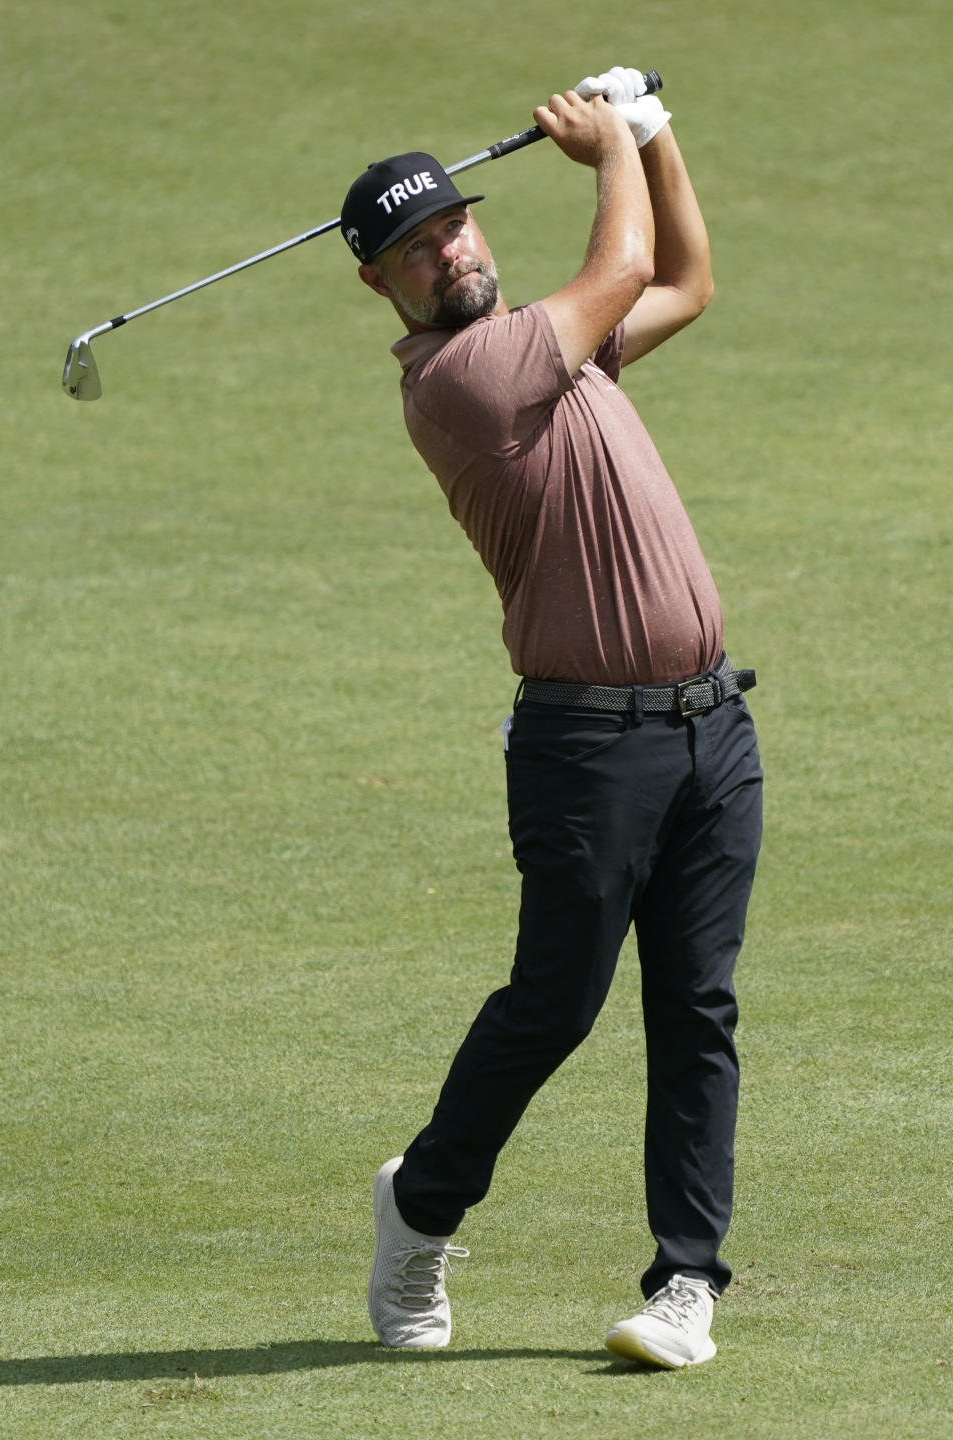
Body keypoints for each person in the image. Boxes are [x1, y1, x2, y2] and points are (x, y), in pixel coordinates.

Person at [340, 65, 763, 1369]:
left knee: (698, 1010)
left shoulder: (555, 342)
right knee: (555, 1005)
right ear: (384, 288)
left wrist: (657, 132)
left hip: (711, 731)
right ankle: (420, 1210)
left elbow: (683, 279)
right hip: (590, 748)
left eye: (454, 225)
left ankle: (685, 1284)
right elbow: (628, 257)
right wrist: (605, 150)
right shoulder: (464, 378)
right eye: (415, 251)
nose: (446, 251)